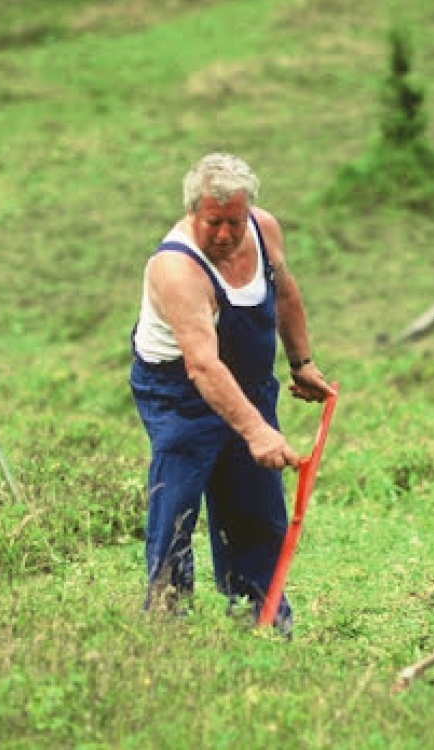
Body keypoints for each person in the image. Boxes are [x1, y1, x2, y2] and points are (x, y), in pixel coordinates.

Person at [129, 152, 333, 632]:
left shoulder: (265, 229)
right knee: (177, 501)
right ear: (192, 212)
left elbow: (284, 291)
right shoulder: (177, 269)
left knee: (258, 504)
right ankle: (167, 620)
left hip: (249, 381)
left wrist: (301, 362)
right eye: (213, 222)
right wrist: (256, 432)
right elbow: (202, 364)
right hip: (179, 391)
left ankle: (259, 616)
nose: (224, 234)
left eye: (234, 222)